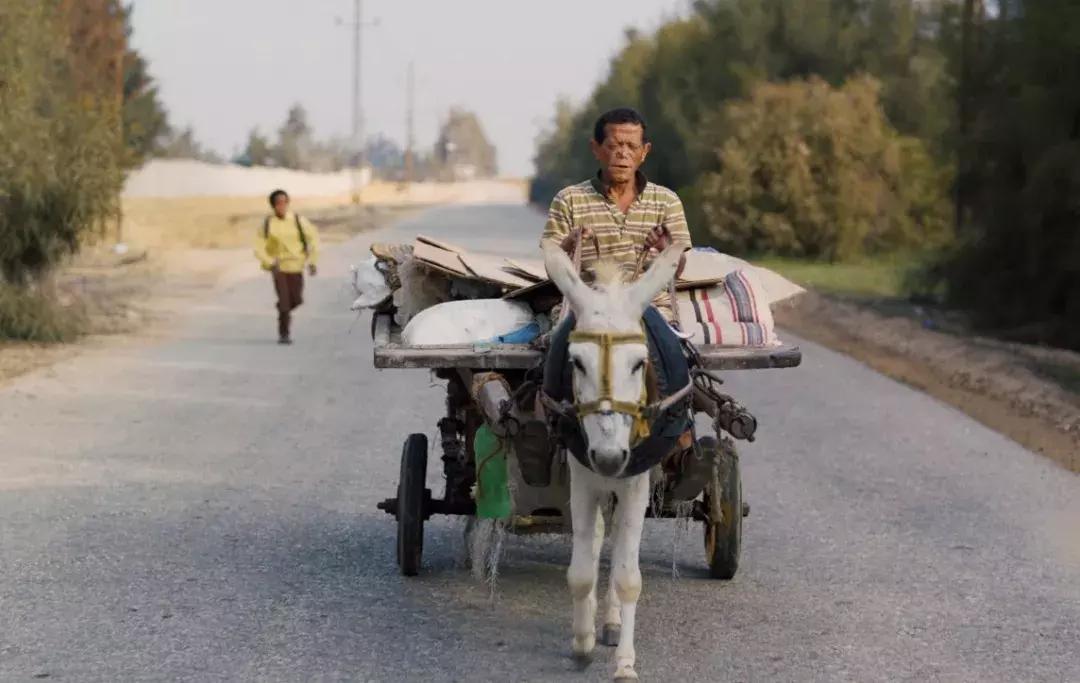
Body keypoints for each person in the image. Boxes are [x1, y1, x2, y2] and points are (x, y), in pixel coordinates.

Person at [540, 107, 691, 321]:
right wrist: (568, 245)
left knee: (670, 349)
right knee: (563, 345)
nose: (623, 153)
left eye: (632, 146)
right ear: (596, 149)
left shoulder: (667, 201)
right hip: (584, 310)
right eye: (613, 146)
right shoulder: (568, 200)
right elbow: (552, 272)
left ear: (644, 151)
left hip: (652, 310)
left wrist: (666, 248)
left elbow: (676, 272)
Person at [254, 189, 320, 344]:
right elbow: (258, 246)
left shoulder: (298, 220)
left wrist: (312, 261)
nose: (281, 206)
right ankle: (284, 333)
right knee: (284, 302)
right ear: (273, 205)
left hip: (296, 266)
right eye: (278, 203)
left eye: (284, 202)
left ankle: (283, 308)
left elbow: (314, 240)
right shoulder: (268, 223)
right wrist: (269, 262)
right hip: (279, 268)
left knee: (296, 300)